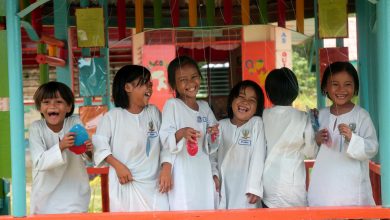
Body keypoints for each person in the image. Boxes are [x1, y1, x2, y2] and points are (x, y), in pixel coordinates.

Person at [93, 65, 171, 212]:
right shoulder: (112, 117)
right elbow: (99, 145)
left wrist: (166, 168)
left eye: (150, 84)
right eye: (144, 83)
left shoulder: (154, 112)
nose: (149, 87)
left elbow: (165, 144)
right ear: (128, 87)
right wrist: (117, 166)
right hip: (125, 184)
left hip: (155, 186)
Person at [308, 61, 378, 206]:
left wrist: (353, 138)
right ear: (325, 87)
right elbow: (309, 151)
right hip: (323, 192)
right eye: (335, 84)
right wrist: (316, 139)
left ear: (355, 87)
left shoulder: (361, 115)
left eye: (347, 84)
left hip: (353, 193)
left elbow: (372, 147)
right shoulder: (320, 115)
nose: (341, 89)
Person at [159, 55, 219, 210]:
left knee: (205, 207)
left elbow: (213, 146)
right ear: (173, 85)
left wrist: (213, 133)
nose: (191, 83)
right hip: (182, 172)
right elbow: (165, 139)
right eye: (183, 79)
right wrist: (182, 133)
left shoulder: (205, 107)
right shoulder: (173, 105)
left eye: (194, 77)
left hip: (203, 170)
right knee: (185, 207)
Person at [29, 81, 92, 214]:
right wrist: (61, 146)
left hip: (74, 196)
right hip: (44, 199)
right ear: (40, 108)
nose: (52, 106)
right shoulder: (36, 128)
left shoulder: (74, 122)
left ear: (69, 107)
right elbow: (40, 162)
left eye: (58, 102)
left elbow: (87, 155)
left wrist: (88, 149)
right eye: (46, 102)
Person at [262, 67, 317, 208]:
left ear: (268, 93)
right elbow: (310, 152)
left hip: (266, 183)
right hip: (292, 186)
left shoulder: (262, 116)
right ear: (295, 91)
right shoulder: (304, 117)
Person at [211, 80, 266, 209]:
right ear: (231, 101)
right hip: (223, 186)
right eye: (241, 97)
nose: (245, 102)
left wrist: (254, 187)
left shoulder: (256, 124)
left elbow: (259, 156)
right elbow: (212, 154)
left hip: (246, 190)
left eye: (252, 100)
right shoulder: (221, 125)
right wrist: (214, 174)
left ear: (257, 107)